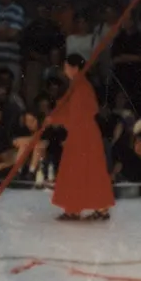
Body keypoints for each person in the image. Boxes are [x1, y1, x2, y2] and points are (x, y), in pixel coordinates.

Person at [48, 54, 113, 220]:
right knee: (81, 170)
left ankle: (86, 208)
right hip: (82, 133)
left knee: (84, 170)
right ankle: (76, 208)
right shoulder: (78, 85)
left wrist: (55, 118)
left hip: (84, 134)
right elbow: (71, 110)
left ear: (74, 68)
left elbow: (76, 114)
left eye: (66, 66)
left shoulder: (81, 87)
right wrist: (55, 117)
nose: (65, 69)